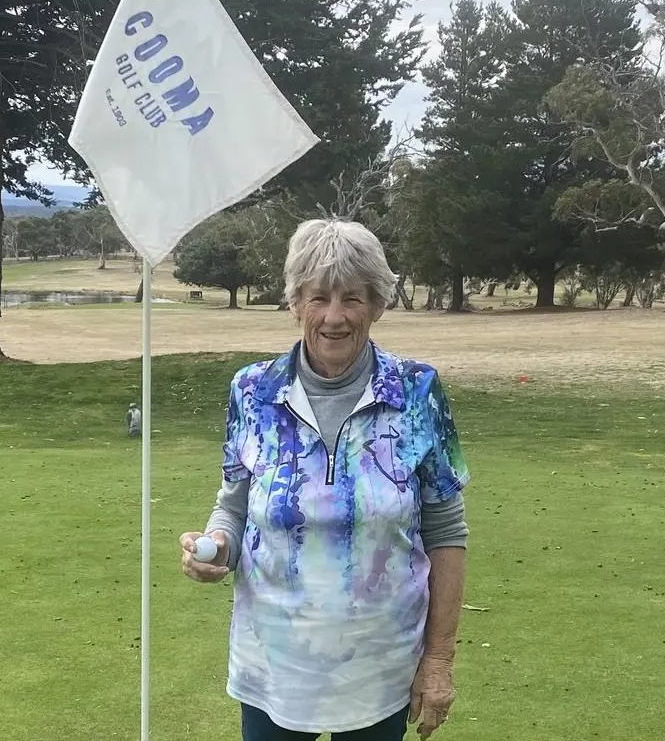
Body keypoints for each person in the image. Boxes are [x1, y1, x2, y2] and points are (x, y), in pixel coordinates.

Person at [179, 218, 471, 741]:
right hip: (272, 664)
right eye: (318, 298)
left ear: (378, 305)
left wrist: (438, 660)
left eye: (353, 299)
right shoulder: (253, 391)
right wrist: (218, 545)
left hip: (380, 667)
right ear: (294, 304)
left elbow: (447, 531)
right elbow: (234, 506)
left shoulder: (417, 390)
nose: (334, 317)